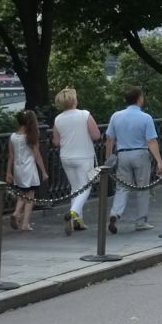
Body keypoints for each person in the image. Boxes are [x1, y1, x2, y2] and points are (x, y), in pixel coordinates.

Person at [104, 87, 162, 233]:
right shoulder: (146, 117)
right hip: (140, 154)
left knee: (122, 187)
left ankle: (115, 213)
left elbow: (110, 139)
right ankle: (141, 221)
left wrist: (109, 157)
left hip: (122, 154)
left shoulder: (116, 116)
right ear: (139, 98)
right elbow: (151, 141)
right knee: (143, 188)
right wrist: (159, 162)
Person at [52, 87, 101, 233]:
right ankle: (73, 212)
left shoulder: (58, 119)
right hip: (83, 156)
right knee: (86, 187)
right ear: (74, 100)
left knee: (75, 188)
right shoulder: (84, 115)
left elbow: (56, 141)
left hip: (66, 157)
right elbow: (96, 135)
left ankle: (78, 222)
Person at [5, 109, 48, 232]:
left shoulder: (13, 137)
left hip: (18, 168)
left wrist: (8, 172)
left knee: (23, 194)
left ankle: (16, 213)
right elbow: (37, 155)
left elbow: (11, 156)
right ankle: (24, 223)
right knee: (30, 197)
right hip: (29, 168)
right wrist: (43, 171)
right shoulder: (30, 137)